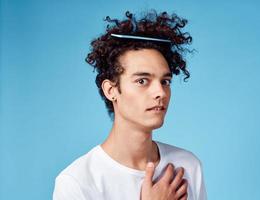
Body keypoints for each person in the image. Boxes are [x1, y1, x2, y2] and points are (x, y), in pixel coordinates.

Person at [53, 10, 207, 200]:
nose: (160, 92)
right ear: (111, 90)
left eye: (165, 81)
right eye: (142, 81)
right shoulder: (76, 183)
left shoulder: (187, 166)